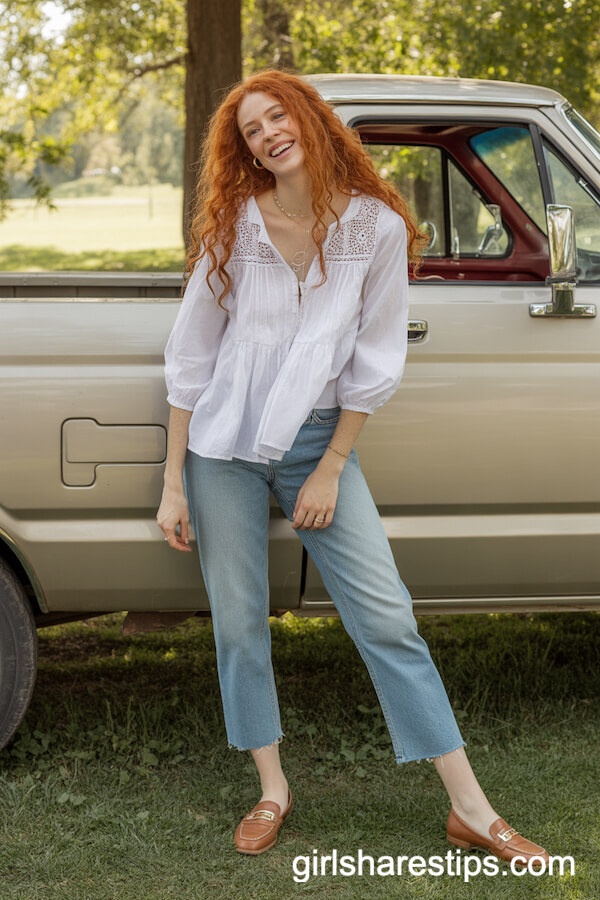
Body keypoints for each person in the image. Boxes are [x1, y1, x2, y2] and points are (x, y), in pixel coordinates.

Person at [156, 68, 549, 866]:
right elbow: (191, 359)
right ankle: (273, 790)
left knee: (387, 618)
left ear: (307, 118)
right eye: (252, 131)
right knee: (239, 624)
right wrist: (173, 482)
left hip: (317, 446)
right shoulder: (235, 224)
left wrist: (333, 465)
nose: (268, 134)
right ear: (249, 154)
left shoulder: (371, 227)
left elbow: (373, 361)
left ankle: (471, 810)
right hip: (221, 451)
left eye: (277, 117)